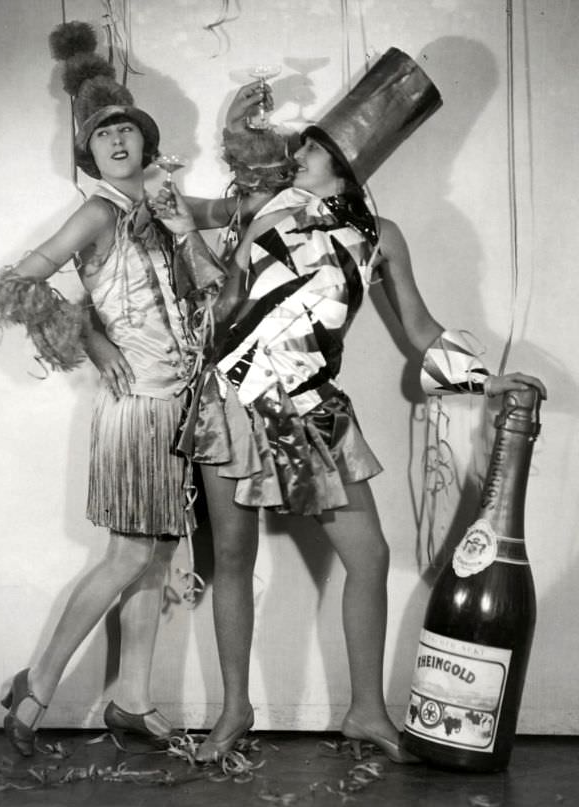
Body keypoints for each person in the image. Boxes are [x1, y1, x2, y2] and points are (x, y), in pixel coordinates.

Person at [155, 55, 547, 764]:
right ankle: (234, 709)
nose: (295, 155)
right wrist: (188, 219)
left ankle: (367, 711)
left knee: (368, 555)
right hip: (236, 401)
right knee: (234, 557)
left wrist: (482, 378)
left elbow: (419, 331)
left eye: (307, 148)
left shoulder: (381, 236)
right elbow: (216, 288)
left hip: (310, 409)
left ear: (338, 159)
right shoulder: (264, 208)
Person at [0, 22, 221, 757]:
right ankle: (37, 683)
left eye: (127, 128)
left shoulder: (160, 211)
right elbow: (20, 280)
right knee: (128, 557)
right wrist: (90, 341)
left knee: (156, 558)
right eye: (103, 132)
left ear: (145, 145)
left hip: (179, 403)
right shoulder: (97, 212)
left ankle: (131, 699)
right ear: (88, 151)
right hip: (135, 408)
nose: (117, 138)